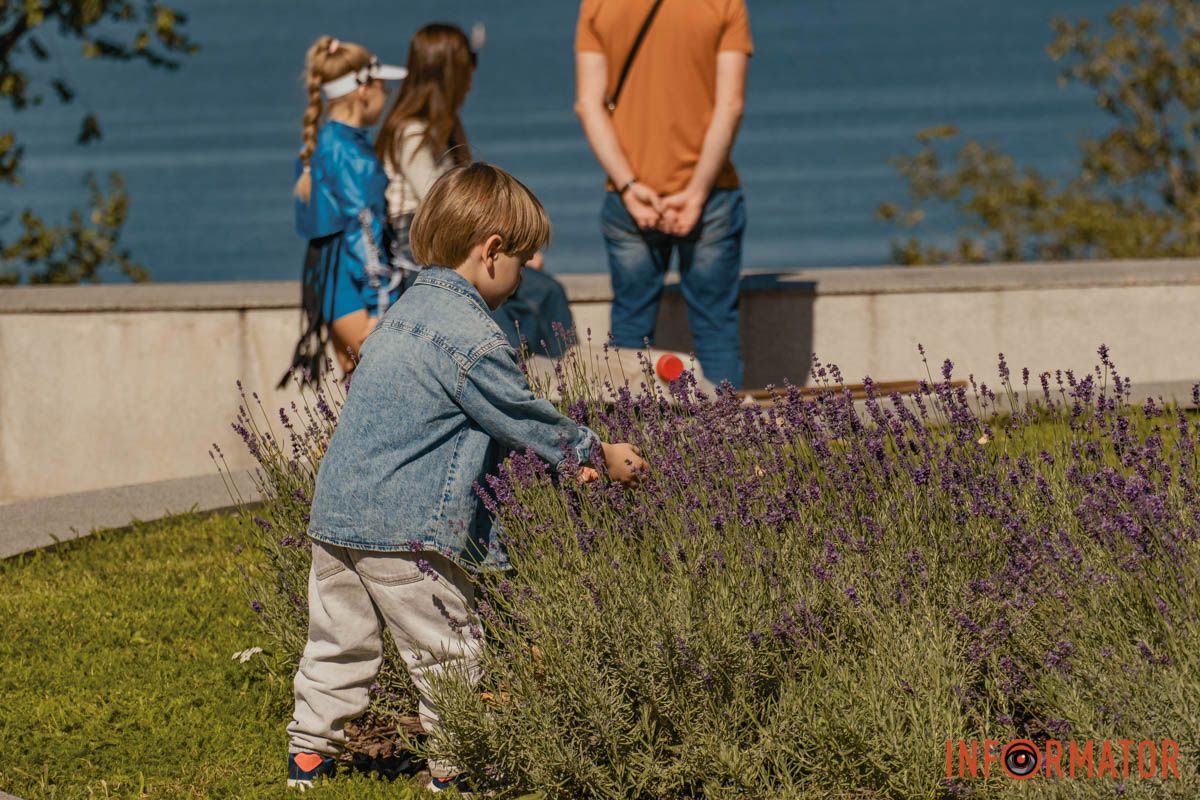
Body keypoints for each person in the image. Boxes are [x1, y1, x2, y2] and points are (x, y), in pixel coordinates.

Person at [285, 162, 646, 792]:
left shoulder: (397, 315)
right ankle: (454, 771)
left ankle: (308, 756)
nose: (527, 274)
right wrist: (595, 451)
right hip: (407, 530)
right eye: (524, 259)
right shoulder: (474, 339)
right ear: (492, 252)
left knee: (337, 642)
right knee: (446, 652)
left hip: (335, 516)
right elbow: (519, 416)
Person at [574, 0, 752, 389]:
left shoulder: (599, 4)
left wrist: (629, 186)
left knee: (629, 330)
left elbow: (589, 105)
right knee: (716, 326)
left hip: (629, 198)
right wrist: (696, 191)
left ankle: (629, 438)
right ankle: (734, 443)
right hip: (711, 195)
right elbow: (731, 104)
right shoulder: (724, 4)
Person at [284, 35, 407, 386]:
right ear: (363, 90)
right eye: (384, 86)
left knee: (359, 394)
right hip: (358, 291)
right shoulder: (351, 155)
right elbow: (363, 228)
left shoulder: (321, 145)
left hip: (329, 285)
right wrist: (380, 304)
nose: (388, 96)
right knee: (386, 395)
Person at [375, 23, 477, 272]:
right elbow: (439, 201)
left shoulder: (443, 125)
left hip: (440, 234)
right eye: (469, 61)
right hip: (416, 242)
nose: (474, 70)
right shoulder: (412, 132)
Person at [489, 251, 576, 357]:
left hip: (510, 256)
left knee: (553, 291)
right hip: (491, 263)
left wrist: (527, 252)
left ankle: (565, 361)